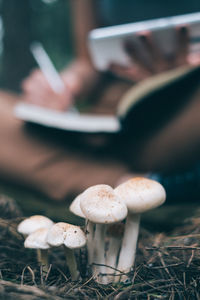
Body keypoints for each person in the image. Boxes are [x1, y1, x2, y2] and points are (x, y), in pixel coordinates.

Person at [0, 0, 200, 201]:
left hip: (178, 118)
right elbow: (87, 63)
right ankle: (134, 184)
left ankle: (77, 174)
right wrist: (65, 86)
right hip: (107, 116)